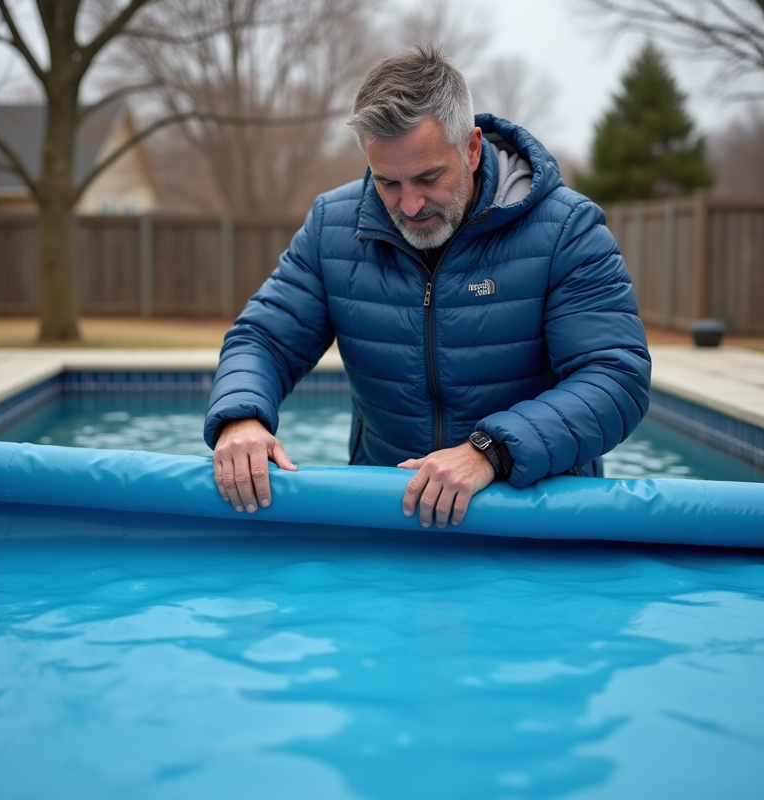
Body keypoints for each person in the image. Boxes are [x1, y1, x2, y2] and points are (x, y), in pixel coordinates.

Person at [204, 45, 651, 529]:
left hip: (534, 522)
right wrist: (240, 416)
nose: (410, 204)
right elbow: (263, 339)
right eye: (387, 183)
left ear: (472, 148)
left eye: (428, 177)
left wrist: (492, 451)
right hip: (388, 519)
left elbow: (615, 377)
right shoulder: (331, 225)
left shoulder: (567, 229)